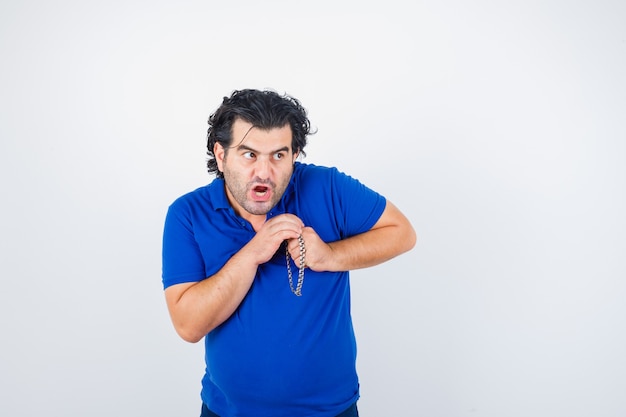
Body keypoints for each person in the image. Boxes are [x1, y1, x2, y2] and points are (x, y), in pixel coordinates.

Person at [161, 88, 416, 417]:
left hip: (331, 411)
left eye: (278, 156)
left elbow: (402, 233)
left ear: (295, 155)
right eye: (249, 154)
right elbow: (188, 326)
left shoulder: (327, 187)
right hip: (227, 412)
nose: (264, 172)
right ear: (221, 155)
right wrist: (253, 252)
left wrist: (329, 257)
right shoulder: (187, 213)